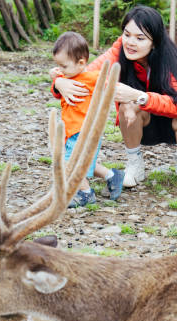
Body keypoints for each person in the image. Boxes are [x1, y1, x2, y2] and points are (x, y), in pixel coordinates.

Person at [52, 6, 177, 187]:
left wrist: (140, 96)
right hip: (141, 125)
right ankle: (134, 165)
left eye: (140, 38)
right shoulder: (120, 50)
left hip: (173, 124)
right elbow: (87, 74)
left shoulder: (170, 59)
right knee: (126, 105)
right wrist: (60, 83)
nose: (130, 42)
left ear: (154, 41)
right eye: (127, 34)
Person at [49, 31, 124, 207]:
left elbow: (111, 85)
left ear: (81, 62)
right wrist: (56, 78)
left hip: (85, 131)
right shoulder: (66, 76)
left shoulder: (92, 77)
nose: (60, 70)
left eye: (63, 66)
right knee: (85, 162)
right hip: (72, 131)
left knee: (71, 164)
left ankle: (85, 193)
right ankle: (112, 176)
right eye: (57, 65)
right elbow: (56, 93)